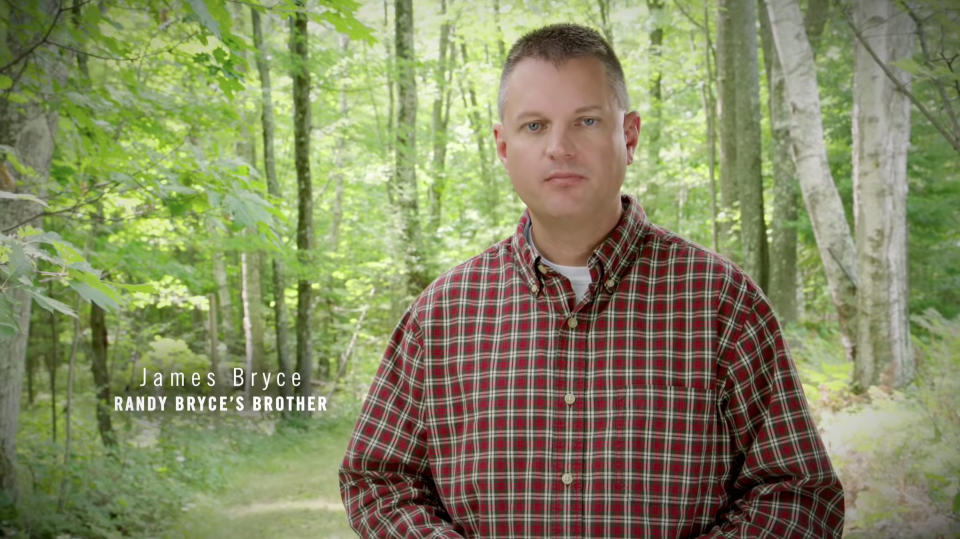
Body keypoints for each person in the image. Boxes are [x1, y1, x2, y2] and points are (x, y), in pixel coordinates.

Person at [339, 23, 844, 538]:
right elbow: (379, 481)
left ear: (628, 135)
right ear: (503, 145)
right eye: (534, 126)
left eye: (585, 120)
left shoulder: (720, 302)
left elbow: (797, 493)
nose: (559, 147)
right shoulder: (442, 314)